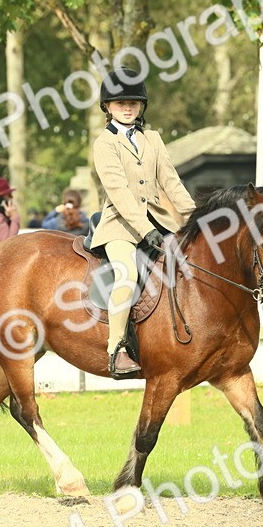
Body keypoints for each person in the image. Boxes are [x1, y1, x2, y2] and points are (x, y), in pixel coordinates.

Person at [90, 68, 196, 378]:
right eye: (120, 102)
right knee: (127, 275)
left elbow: (171, 182)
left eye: (133, 103)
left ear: (141, 107)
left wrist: (194, 220)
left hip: (160, 223)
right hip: (120, 226)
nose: (127, 107)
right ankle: (117, 349)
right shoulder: (104, 143)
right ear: (108, 107)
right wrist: (144, 228)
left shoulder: (152, 138)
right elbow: (119, 192)